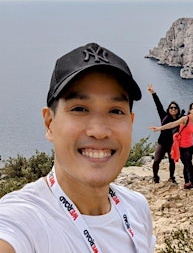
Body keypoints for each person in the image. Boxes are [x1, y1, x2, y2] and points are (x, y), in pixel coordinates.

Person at [0, 43, 156, 252]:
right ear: (49, 124)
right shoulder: (22, 221)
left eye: (116, 111)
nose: (99, 131)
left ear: (131, 123)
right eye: (80, 109)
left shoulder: (137, 207)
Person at [150, 102, 193, 199]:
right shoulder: (185, 119)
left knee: (186, 165)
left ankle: (187, 183)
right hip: (181, 148)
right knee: (189, 167)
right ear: (190, 110)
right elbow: (172, 124)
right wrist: (159, 128)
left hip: (189, 147)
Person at [147, 84, 183, 184]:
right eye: (171, 107)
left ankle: (171, 177)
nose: (173, 109)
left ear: (177, 110)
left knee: (172, 162)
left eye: (175, 108)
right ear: (169, 109)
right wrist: (153, 93)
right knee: (156, 160)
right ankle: (155, 176)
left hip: (172, 144)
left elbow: (190, 116)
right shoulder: (164, 116)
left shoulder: (180, 119)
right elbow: (158, 105)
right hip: (162, 142)